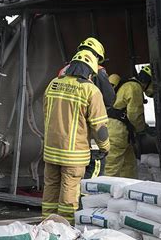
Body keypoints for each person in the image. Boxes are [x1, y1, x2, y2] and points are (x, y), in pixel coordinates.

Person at [42, 50, 110, 224]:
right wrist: (105, 147)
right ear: (89, 71)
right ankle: (65, 226)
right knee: (69, 190)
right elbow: (99, 127)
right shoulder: (90, 90)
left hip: (51, 150)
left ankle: (46, 224)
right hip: (74, 154)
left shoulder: (53, 84)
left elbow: (45, 112)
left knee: (50, 187)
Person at [59, 37, 115, 180]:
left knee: (69, 180)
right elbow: (110, 99)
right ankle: (83, 201)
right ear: (96, 56)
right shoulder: (98, 71)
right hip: (89, 136)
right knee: (91, 177)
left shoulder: (64, 71)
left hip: (65, 137)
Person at [104, 65, 152, 178]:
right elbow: (135, 114)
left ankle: (128, 188)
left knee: (129, 164)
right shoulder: (135, 88)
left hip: (117, 131)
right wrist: (142, 130)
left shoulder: (126, 84)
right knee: (111, 168)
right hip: (117, 132)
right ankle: (104, 192)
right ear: (148, 81)